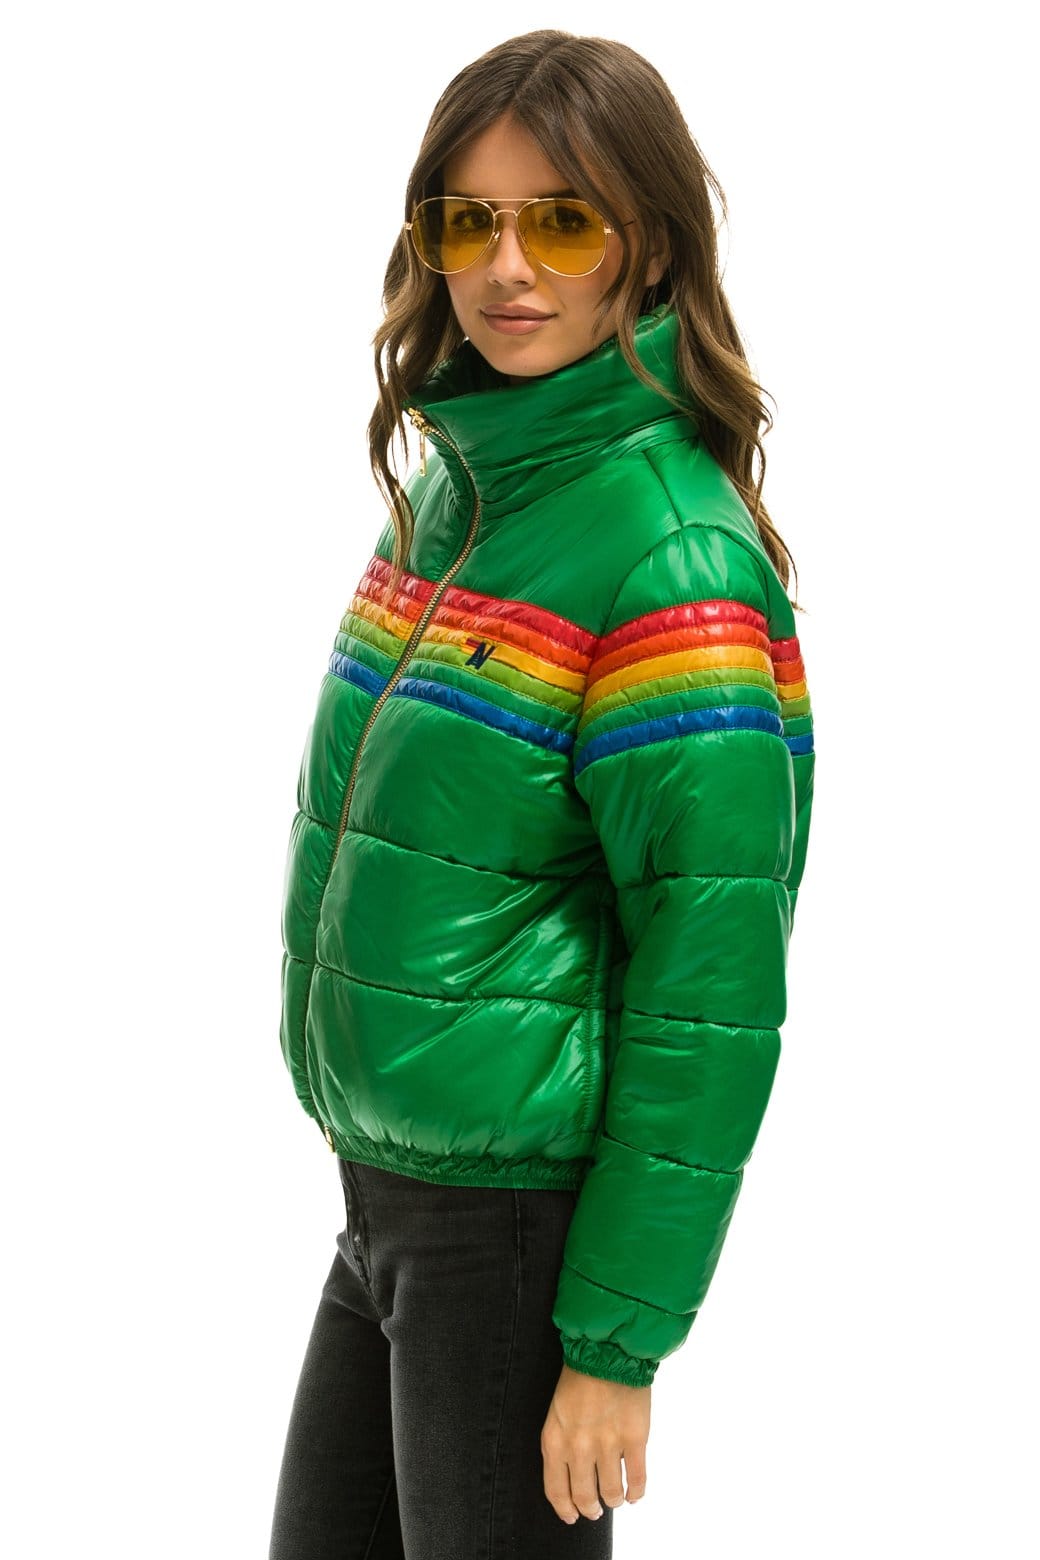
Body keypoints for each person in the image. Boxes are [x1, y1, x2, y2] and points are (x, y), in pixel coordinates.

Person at [268, 27, 815, 1560]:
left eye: (561, 221)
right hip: (387, 1207)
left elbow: (710, 982)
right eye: (470, 219)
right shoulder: (463, 488)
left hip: (515, 1238)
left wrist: (615, 1347)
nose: (507, 267)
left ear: (650, 246)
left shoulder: (667, 558)